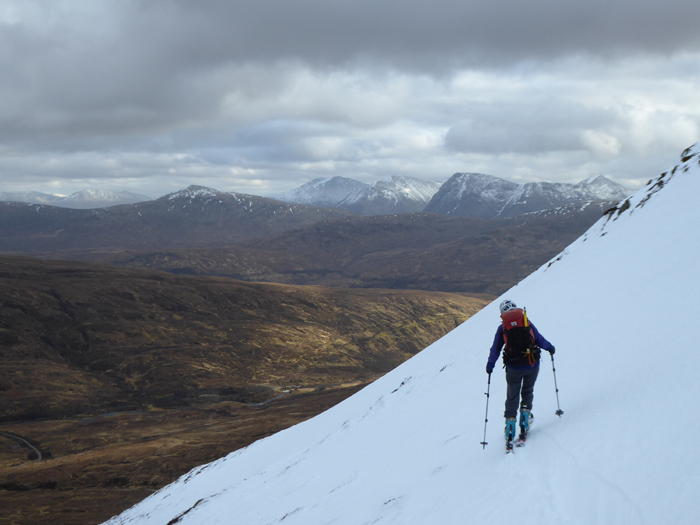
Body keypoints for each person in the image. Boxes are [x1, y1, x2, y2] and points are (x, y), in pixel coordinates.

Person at [486, 299, 555, 447]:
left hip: (513, 368)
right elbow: (539, 339)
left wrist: (490, 365)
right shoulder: (526, 322)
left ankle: (510, 428)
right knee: (527, 390)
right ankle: (525, 419)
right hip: (532, 364)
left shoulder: (503, 328)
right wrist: (550, 348)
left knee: (512, 395)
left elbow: (495, 349)